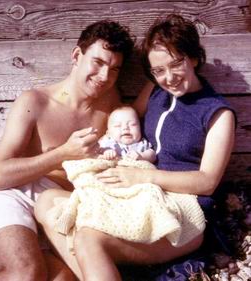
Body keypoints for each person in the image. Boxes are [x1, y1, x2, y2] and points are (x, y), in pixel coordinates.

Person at [35, 14, 236, 281]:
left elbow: (207, 182)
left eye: (177, 64)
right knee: (47, 202)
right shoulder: (155, 90)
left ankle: (96, 265)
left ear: (195, 58)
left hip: (181, 212)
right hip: (138, 194)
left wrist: (143, 176)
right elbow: (126, 118)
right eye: (158, 71)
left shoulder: (217, 114)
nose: (169, 78)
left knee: (89, 238)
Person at [0, 20, 134, 280]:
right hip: (13, 194)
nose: (104, 77)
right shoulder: (35, 102)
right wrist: (64, 152)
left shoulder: (111, 106)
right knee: (27, 273)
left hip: (59, 209)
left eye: (114, 70)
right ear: (77, 55)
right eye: (98, 63)